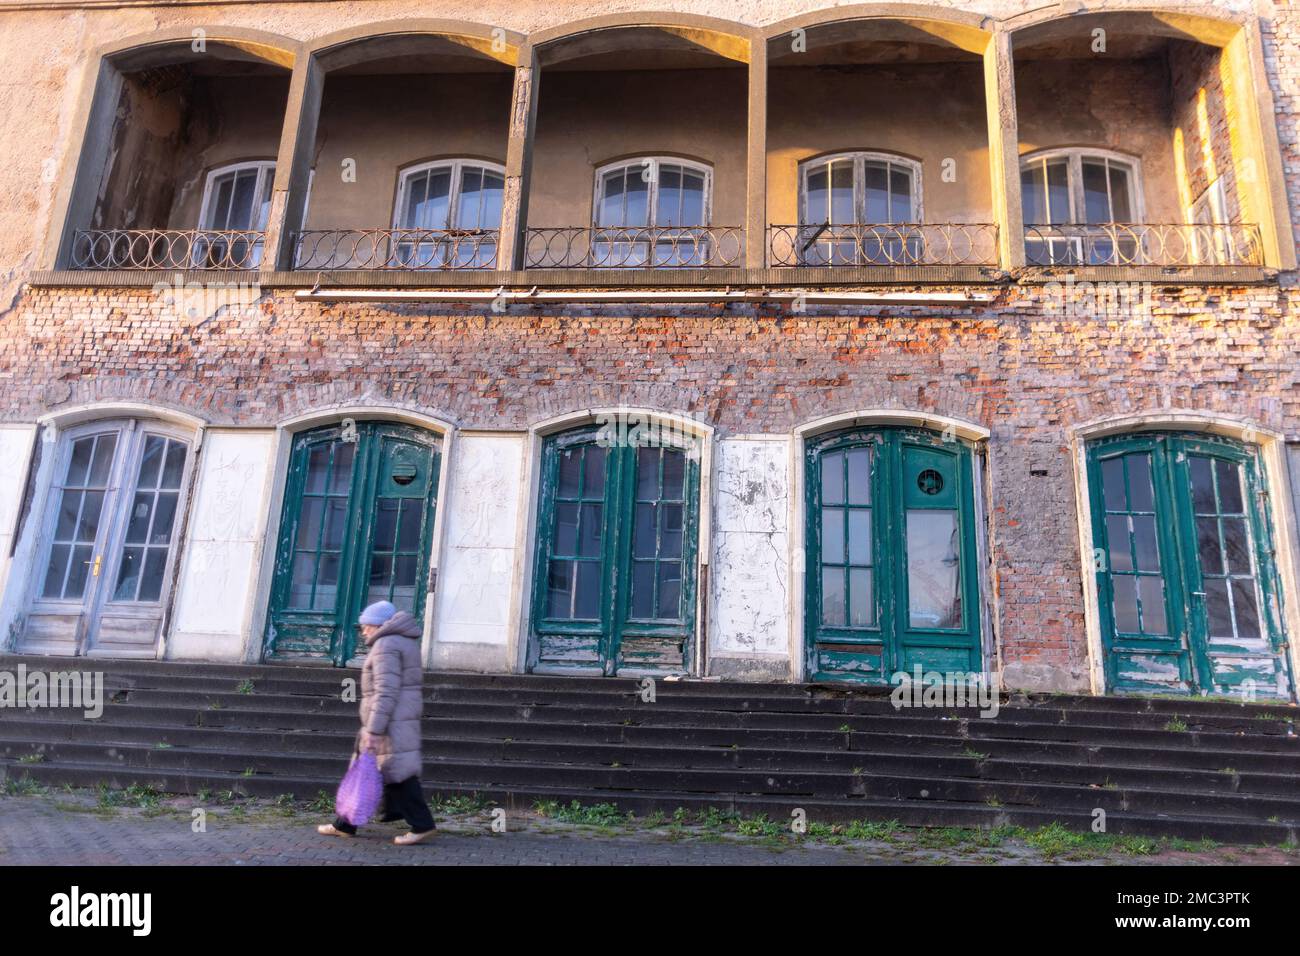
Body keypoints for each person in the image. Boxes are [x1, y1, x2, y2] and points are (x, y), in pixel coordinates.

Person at [318, 600, 436, 845]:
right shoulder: (403, 642)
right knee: (369, 769)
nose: (363, 631)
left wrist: (373, 728)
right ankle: (345, 824)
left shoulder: (385, 645)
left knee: (398, 774)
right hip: (397, 718)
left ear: (379, 625)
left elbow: (385, 691)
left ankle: (422, 824)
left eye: (366, 626)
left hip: (388, 721)